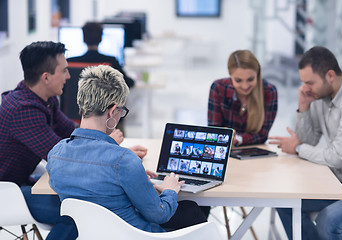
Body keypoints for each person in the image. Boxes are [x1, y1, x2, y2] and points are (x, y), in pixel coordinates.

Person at [46, 65, 207, 232]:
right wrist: (170, 189)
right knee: (193, 211)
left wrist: (132, 176)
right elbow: (160, 214)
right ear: (113, 111)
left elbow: (90, 178)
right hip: (135, 235)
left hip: (90, 234)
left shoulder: (56, 155)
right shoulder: (124, 161)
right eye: (121, 111)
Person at [268, 46, 342, 240]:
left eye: (310, 82)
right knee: (284, 200)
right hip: (337, 183)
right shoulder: (319, 96)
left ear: (330, 75)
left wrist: (299, 147)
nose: (305, 88)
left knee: (329, 221)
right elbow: (308, 140)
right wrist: (303, 107)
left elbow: (336, 157)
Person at [0, 41, 78, 240]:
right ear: (46, 77)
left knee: (77, 203)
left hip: (18, 183)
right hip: (5, 193)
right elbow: (63, 156)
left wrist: (104, 142)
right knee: (74, 214)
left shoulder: (44, 99)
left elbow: (72, 132)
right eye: (64, 71)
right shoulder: (23, 110)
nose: (69, 76)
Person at [208, 50, 278, 146]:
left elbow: (262, 135)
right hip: (226, 151)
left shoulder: (269, 92)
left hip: (254, 153)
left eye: (250, 79)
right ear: (230, 75)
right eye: (238, 80)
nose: (245, 86)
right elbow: (213, 131)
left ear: (257, 74)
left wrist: (237, 139)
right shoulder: (218, 88)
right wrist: (220, 135)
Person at [67, 22, 134, 88]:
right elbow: (127, 83)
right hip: (103, 99)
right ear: (101, 39)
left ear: (84, 39)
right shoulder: (111, 62)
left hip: (75, 99)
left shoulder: (70, 62)